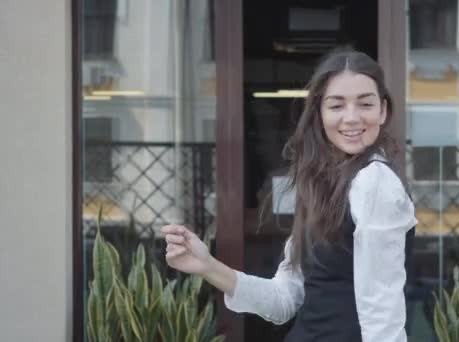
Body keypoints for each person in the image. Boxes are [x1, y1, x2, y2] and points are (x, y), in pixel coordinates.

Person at [162, 49, 417, 342]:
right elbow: (284, 300)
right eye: (336, 105)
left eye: (365, 104)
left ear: (383, 111)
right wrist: (207, 265)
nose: (351, 118)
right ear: (319, 114)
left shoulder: (375, 183)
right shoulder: (324, 184)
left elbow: (382, 314)